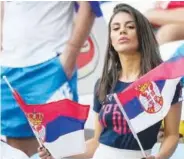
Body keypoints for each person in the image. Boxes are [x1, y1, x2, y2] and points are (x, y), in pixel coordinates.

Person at [38, 3, 182, 159]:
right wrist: (58, 154)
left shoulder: (164, 82)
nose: (122, 31)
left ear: (142, 34)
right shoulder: (103, 85)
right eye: (115, 28)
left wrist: (160, 157)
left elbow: (172, 135)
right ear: (111, 40)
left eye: (130, 27)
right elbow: (96, 143)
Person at [0, 1, 97, 157]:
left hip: (49, 65)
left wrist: (70, 54)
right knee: (18, 151)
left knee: (60, 148)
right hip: (9, 68)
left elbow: (89, 5)